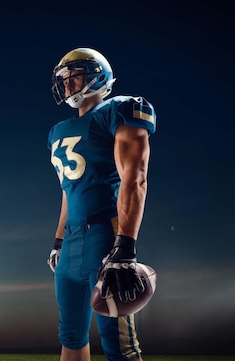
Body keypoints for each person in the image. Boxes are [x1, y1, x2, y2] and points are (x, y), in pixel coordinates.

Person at [46, 47, 156, 361]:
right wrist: (58, 241)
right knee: (71, 336)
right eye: (63, 79)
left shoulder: (119, 110)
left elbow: (135, 177)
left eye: (74, 75)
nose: (67, 84)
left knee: (118, 343)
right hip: (71, 243)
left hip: (104, 235)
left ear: (97, 75)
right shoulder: (57, 132)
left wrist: (126, 244)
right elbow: (69, 192)